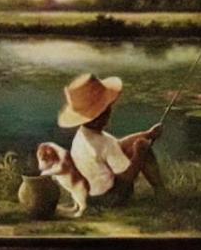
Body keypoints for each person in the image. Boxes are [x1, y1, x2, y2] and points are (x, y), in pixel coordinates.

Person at [56, 73, 165, 207]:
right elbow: (128, 176)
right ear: (103, 114)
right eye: (108, 108)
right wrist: (139, 154)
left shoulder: (83, 135)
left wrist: (147, 134)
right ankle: (161, 191)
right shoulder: (104, 143)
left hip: (90, 196)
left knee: (139, 142)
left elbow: (118, 145)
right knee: (142, 145)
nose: (110, 111)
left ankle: (160, 191)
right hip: (111, 198)